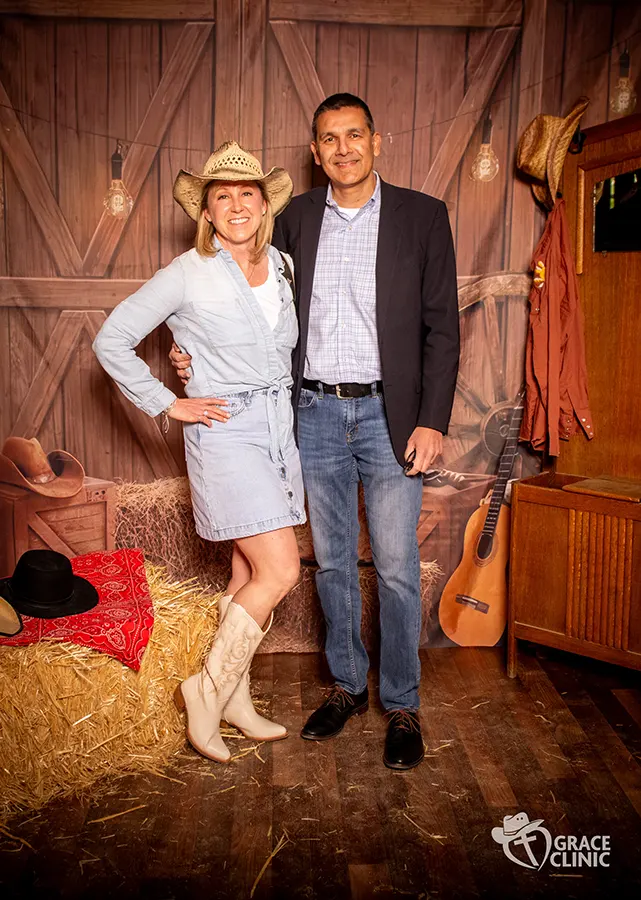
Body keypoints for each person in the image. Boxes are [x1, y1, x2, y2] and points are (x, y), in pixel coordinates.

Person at [171, 94, 459, 770]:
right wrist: (190, 356)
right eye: (329, 139)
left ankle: (401, 704)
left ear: (376, 141)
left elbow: (442, 327)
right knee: (330, 563)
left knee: (395, 568)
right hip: (315, 414)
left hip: (392, 417)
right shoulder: (294, 218)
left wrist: (432, 420)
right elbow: (241, 297)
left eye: (354, 135)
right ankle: (346, 687)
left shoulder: (422, 216)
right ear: (315, 151)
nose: (343, 149)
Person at [93, 141, 305, 765]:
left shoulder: (285, 267)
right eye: (223, 197)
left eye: (248, 194)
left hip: (278, 430)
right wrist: (169, 401)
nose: (237, 206)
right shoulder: (187, 271)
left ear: (264, 205)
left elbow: (271, 350)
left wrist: (194, 360)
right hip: (226, 432)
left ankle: (235, 699)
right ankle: (206, 691)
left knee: (245, 573)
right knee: (280, 572)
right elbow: (112, 340)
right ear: (206, 212)